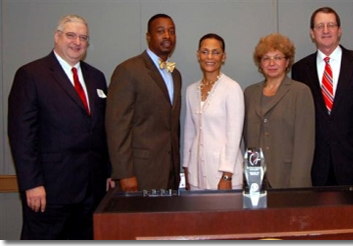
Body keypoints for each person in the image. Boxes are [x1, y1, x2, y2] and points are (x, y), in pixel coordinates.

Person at [8, 14, 113, 239]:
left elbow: (103, 129)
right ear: (57, 37)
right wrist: (32, 184)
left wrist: (108, 171)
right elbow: (22, 135)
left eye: (83, 37)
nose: (77, 42)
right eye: (71, 35)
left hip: (91, 192)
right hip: (49, 192)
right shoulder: (31, 75)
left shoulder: (96, 77)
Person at [291, 7, 353, 186]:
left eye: (331, 25)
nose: (326, 31)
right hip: (316, 165)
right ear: (312, 33)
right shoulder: (301, 69)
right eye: (320, 26)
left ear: (339, 30)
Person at [105, 13, 182, 191]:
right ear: (148, 36)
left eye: (171, 31)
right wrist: (124, 173)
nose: (167, 36)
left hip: (169, 173)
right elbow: (117, 127)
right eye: (160, 31)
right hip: (139, 174)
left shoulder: (175, 75)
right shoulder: (128, 70)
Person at [244, 33, 315, 188]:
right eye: (266, 58)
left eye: (277, 57)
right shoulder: (250, 93)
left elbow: (305, 144)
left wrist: (298, 184)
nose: (271, 63)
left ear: (287, 61)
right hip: (256, 178)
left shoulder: (300, 92)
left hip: (287, 178)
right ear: (260, 63)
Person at [182, 33, 244, 190]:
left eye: (215, 52)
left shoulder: (232, 88)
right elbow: (189, 132)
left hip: (223, 174)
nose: (209, 56)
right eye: (205, 51)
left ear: (223, 57)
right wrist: (186, 168)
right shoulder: (191, 90)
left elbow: (234, 135)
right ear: (198, 55)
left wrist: (226, 175)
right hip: (196, 172)